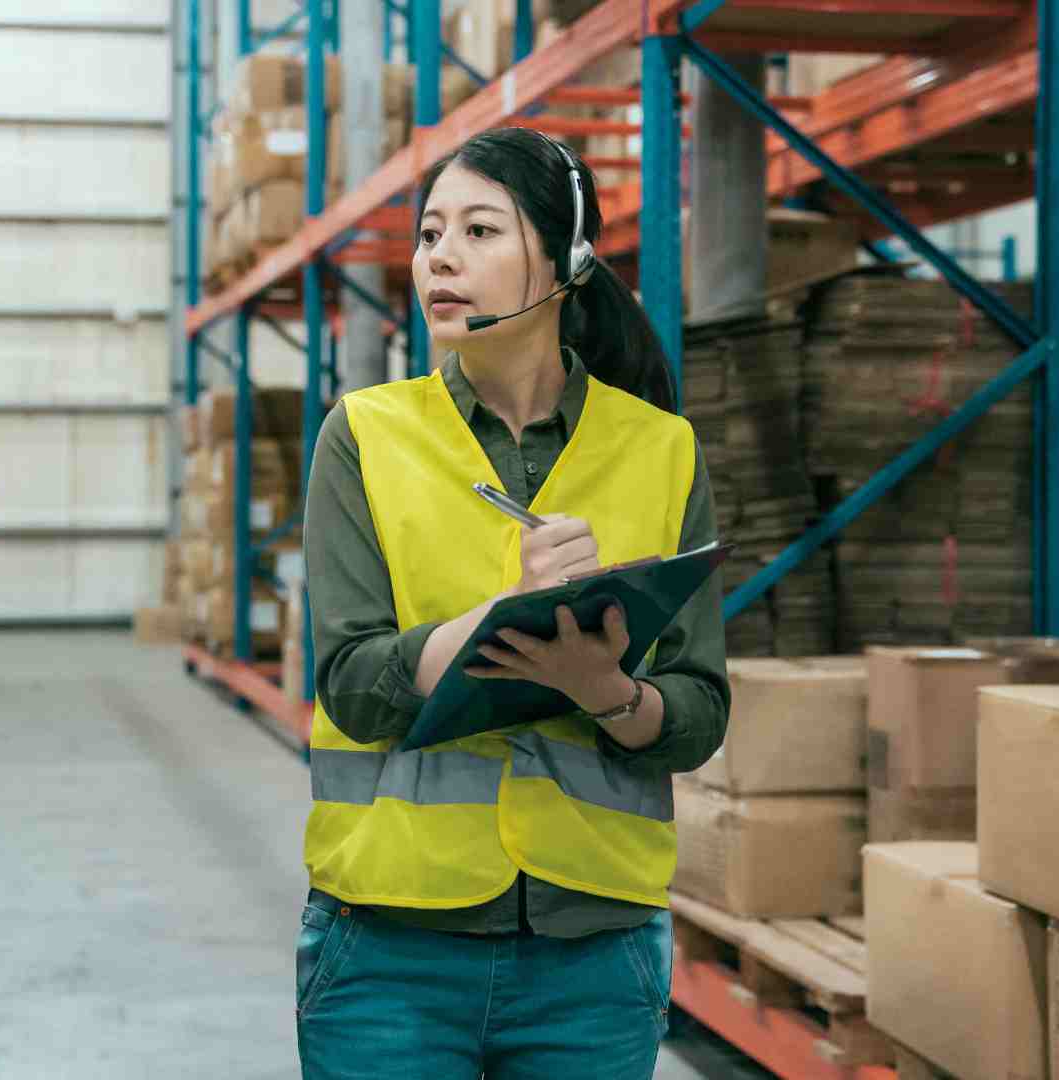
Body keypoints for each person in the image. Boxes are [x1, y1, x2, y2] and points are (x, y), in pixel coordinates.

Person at [295, 127, 731, 1078]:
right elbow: (351, 686)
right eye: (430, 233)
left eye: (481, 231)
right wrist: (501, 620)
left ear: (567, 260)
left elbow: (696, 715)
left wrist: (606, 690)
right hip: (391, 947)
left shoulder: (661, 449)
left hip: (595, 954)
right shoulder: (364, 436)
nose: (440, 257)